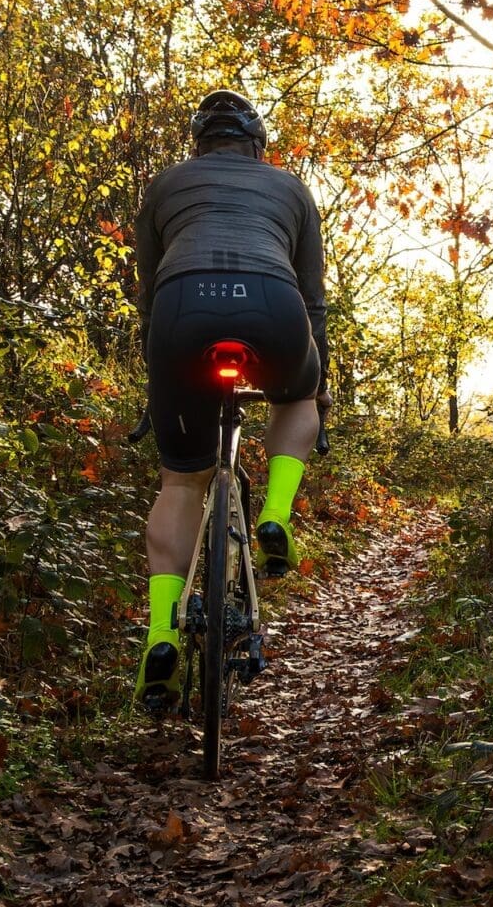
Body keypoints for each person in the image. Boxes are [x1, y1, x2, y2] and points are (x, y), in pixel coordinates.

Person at [132, 90, 329, 711]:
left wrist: (159, 375)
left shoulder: (166, 184)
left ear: (199, 143)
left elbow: (147, 292)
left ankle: (161, 634)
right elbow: (313, 297)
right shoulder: (291, 188)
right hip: (274, 305)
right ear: (256, 145)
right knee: (297, 397)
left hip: (180, 309)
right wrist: (317, 383)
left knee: (181, 481)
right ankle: (276, 514)